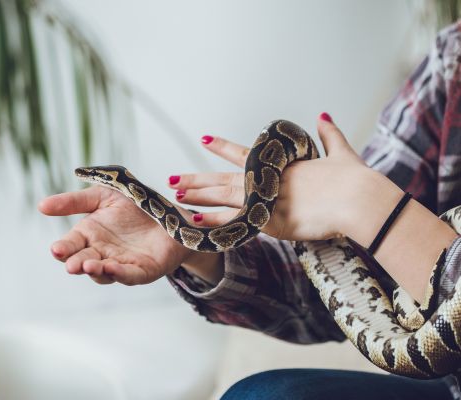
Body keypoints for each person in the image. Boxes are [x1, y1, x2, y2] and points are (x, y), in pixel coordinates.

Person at [39, 22, 461, 400]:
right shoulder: (451, 60)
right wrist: (193, 244)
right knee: (260, 396)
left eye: (94, 175)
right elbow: (339, 281)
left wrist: (368, 204)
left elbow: (358, 208)